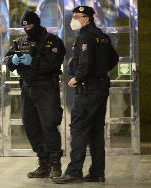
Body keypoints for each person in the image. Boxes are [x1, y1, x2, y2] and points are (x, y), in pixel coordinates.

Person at [53, 6, 118, 184]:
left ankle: (74, 172)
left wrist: (77, 78)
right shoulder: (102, 36)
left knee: (79, 129)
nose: (73, 19)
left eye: (77, 16)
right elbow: (114, 58)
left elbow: (86, 61)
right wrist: (100, 71)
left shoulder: (85, 37)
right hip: (100, 87)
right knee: (96, 131)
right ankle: (97, 172)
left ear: (87, 18)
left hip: (87, 89)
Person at [4, 10, 66, 179]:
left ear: (37, 24)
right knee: (31, 126)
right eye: (25, 27)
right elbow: (7, 58)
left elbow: (53, 62)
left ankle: (55, 164)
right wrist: (12, 61)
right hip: (27, 88)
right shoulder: (21, 41)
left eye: (30, 26)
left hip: (46, 88)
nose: (27, 29)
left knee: (48, 125)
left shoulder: (52, 41)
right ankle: (43, 163)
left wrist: (33, 62)